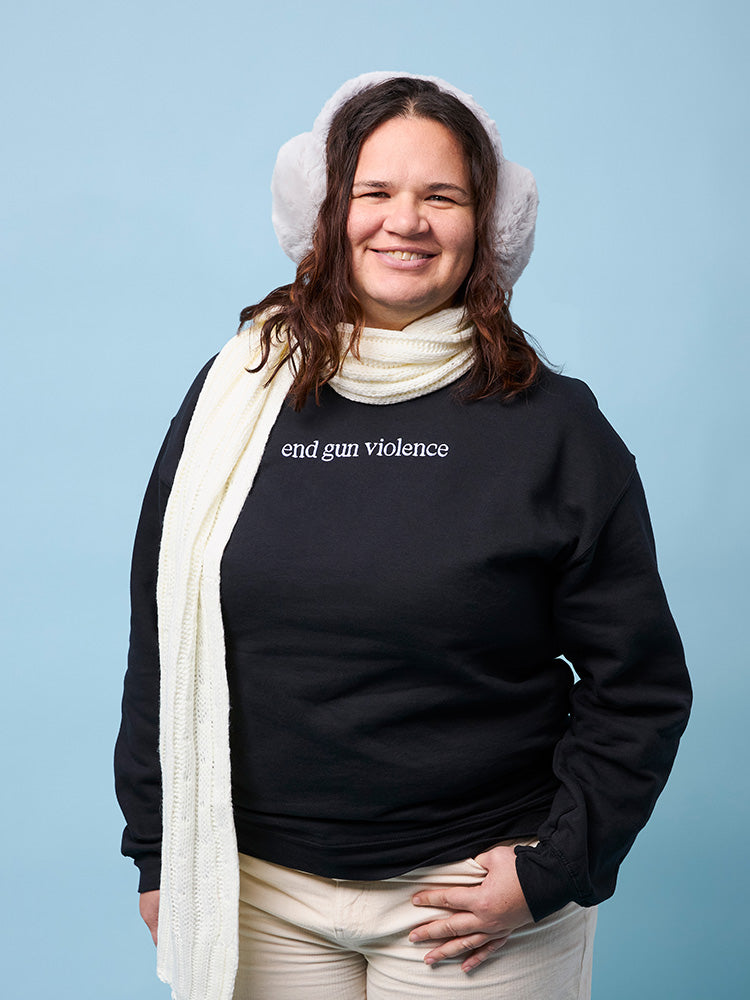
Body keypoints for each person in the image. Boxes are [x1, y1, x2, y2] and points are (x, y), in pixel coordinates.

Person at [115, 72, 692, 1000]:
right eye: (374, 192)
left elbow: (642, 684)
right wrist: (156, 847)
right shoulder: (233, 396)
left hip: (470, 900)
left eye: (442, 197)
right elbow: (163, 626)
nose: (405, 222)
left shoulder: (555, 427)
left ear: (487, 225)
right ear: (326, 209)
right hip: (253, 886)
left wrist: (552, 869)